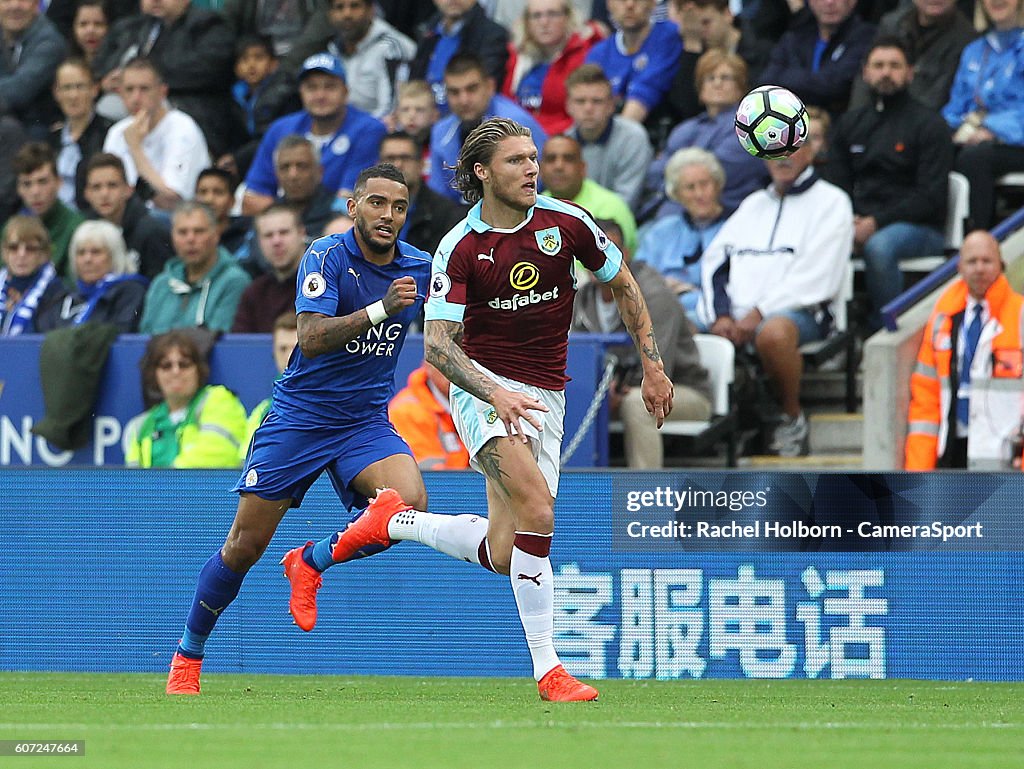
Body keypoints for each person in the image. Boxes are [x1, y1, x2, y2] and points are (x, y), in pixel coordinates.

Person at [164, 163, 435, 695]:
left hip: (362, 421)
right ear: (354, 207)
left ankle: (310, 561)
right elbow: (309, 338)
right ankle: (187, 656)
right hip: (300, 418)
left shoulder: (420, 266)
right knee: (243, 546)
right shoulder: (325, 256)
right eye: (376, 203)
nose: (388, 215)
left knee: (407, 507)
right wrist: (384, 307)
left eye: (399, 207)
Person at [699, 119, 854, 457]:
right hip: (736, 314)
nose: (782, 158)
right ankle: (715, 419)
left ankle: (791, 416)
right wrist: (721, 315)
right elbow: (715, 262)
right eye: (774, 150)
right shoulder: (753, 204)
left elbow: (818, 276)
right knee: (681, 321)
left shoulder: (832, 202)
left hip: (804, 313)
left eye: (792, 147)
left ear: (811, 150)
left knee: (773, 334)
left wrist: (758, 313)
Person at [825, 37, 953, 333]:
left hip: (919, 228)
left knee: (879, 247)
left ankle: (886, 333)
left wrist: (876, 223)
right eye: (878, 65)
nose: (886, 73)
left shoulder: (929, 124)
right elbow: (836, 185)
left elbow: (931, 196)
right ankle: (832, 332)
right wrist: (850, 220)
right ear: (865, 72)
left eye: (894, 66)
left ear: (910, 72)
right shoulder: (850, 124)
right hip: (860, 223)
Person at [573, 218, 711, 468]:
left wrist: (611, 392)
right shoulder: (582, 297)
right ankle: (567, 493)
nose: (599, 258)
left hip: (681, 389)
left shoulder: (654, 295)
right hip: (611, 390)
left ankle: (646, 496)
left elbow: (661, 367)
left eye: (608, 249)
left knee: (638, 403)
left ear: (625, 254)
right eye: (592, 251)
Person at [906, 231, 1024, 470]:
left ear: (1001, 265)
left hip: (1004, 453)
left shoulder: (1020, 315)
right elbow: (926, 396)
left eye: (986, 261)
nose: (979, 268)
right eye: (972, 261)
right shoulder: (943, 319)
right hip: (952, 446)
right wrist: (918, 469)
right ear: (959, 266)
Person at [242, 52, 385, 215]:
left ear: (346, 91)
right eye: (312, 87)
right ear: (301, 92)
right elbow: (251, 200)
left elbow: (349, 205)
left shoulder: (368, 130)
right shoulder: (280, 129)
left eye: (329, 86)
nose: (320, 95)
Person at [91, 0, 237, 158]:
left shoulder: (209, 25)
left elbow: (209, 68)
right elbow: (101, 65)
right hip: (126, 104)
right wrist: (105, 81)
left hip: (186, 106)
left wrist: (148, 79)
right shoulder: (130, 27)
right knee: (102, 109)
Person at [643, 49, 769, 219]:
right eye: (710, 78)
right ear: (700, 88)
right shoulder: (686, 128)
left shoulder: (751, 127)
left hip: (728, 216)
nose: (717, 83)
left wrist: (675, 173)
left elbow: (715, 173)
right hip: (672, 213)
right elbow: (654, 173)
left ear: (740, 87)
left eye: (725, 78)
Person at [943, 0, 1024, 231]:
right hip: (975, 137)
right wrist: (953, 130)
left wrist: (991, 130)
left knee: (975, 157)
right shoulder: (974, 50)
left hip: (1014, 141)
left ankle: (981, 237)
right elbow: (955, 107)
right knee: (935, 148)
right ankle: (939, 238)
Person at [427, 53, 548, 203]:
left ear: (490, 86)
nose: (463, 100)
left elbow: (541, 181)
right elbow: (439, 196)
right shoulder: (440, 131)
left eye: (471, 89)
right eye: (454, 92)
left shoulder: (517, 123)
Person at [634, 147, 728, 330]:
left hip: (708, 312)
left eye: (705, 184)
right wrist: (662, 287)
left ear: (718, 185)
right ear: (677, 195)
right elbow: (639, 277)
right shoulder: (661, 231)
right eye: (690, 188)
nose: (699, 194)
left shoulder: (734, 227)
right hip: (660, 307)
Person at [125, 329, 248, 468]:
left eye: (184, 364)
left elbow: (217, 455)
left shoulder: (219, 399)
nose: (176, 371)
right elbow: (134, 482)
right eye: (166, 366)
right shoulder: (139, 426)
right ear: (154, 374)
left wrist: (164, 485)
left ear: (198, 369)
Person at [102, 57, 210, 213]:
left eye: (144, 89)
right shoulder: (117, 132)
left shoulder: (183, 129)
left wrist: (135, 148)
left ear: (162, 92)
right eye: (129, 89)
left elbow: (172, 201)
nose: (135, 98)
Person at [139, 201, 251, 334]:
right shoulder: (161, 284)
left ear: (216, 235)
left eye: (199, 231)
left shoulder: (235, 281)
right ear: (172, 237)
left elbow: (217, 340)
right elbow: (144, 337)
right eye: (182, 232)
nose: (190, 239)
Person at [848, 0, 975, 113]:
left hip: (922, 126)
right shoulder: (892, 23)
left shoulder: (967, 39)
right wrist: (858, 121)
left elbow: (936, 99)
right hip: (874, 117)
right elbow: (865, 78)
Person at [501, 0, 605, 135]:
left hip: (562, 141)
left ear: (568, 18)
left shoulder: (585, 53)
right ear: (526, 22)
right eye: (536, 16)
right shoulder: (516, 55)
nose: (544, 22)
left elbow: (581, 114)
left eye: (553, 14)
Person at [758, 0, 876, 115]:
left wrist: (790, 77)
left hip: (839, 124)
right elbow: (767, 83)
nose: (829, 2)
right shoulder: (795, 37)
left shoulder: (866, 37)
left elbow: (835, 87)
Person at [564, 63, 652, 208]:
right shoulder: (564, 143)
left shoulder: (633, 137)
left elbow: (626, 202)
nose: (588, 108)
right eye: (580, 101)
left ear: (611, 105)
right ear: (568, 106)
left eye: (597, 101)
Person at [35, 219, 148, 332]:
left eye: (96, 252)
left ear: (114, 256)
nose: (87, 259)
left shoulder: (131, 292)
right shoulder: (63, 298)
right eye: (81, 252)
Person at [584, 0, 683, 123]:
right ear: (609, 4)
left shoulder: (670, 36)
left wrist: (619, 139)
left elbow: (646, 90)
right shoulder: (598, 53)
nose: (630, 4)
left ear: (653, 3)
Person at [82, 152, 174, 280]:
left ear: (128, 190)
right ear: (87, 194)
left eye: (112, 185)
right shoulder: (85, 232)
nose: (104, 194)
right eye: (96, 187)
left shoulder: (152, 232)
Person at [539, 133, 637, 253]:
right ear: (539, 169)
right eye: (551, 159)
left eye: (568, 159)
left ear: (583, 168)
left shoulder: (611, 207)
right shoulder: (530, 207)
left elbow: (618, 266)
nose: (559, 166)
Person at [320, 0, 416, 119]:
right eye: (339, 7)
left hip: (379, 130)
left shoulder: (391, 47)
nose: (347, 14)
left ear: (371, 10)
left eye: (354, 6)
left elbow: (393, 110)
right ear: (330, 14)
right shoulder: (332, 50)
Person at [409, 0, 510, 112]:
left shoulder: (493, 36)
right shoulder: (427, 33)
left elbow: (482, 94)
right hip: (424, 121)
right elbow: (413, 87)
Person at [378, 131, 467, 255]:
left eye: (406, 158)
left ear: (421, 164)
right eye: (390, 158)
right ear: (378, 164)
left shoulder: (446, 213)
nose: (398, 164)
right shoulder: (368, 210)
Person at [9, 142, 85, 277]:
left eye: (42, 182)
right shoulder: (9, 230)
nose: (35, 192)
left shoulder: (77, 228)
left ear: (59, 182)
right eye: (27, 184)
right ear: (19, 189)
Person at [48, 58, 114, 211]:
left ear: (94, 89)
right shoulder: (51, 138)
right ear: (56, 93)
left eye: (80, 87)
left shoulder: (109, 134)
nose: (73, 95)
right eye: (67, 88)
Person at [232, 204, 306, 332]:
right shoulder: (254, 293)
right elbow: (240, 345)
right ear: (258, 241)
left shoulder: (320, 284)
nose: (276, 241)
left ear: (302, 233)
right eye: (268, 235)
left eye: (284, 232)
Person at [0, 0, 66, 137]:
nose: (14, 6)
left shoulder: (49, 41)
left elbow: (18, 91)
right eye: (6, 0)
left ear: (36, 4)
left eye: (23, 0)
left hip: (36, 126)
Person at [388, 362, 470, 469]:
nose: (457, 373)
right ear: (429, 364)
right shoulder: (406, 412)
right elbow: (430, 477)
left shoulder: (482, 403)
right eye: (449, 364)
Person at [240, 310, 298, 458]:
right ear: (274, 353)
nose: (289, 356)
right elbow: (246, 462)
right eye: (283, 349)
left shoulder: (330, 400)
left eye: (296, 348)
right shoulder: (263, 410)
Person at [0, 215, 65, 335]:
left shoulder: (56, 292)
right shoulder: (3, 287)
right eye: (14, 248)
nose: (21, 254)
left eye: (30, 249)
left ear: (43, 254)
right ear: (4, 253)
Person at [194, 168, 251, 257]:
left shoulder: (248, 234)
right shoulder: (186, 237)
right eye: (203, 192)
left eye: (218, 192)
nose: (209, 199)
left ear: (232, 201)